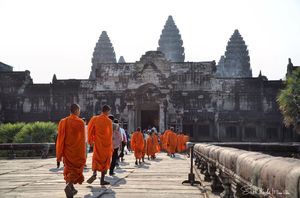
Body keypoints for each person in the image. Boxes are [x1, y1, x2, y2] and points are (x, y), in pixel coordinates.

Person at [56, 104, 86, 197]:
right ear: (77, 110)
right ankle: (69, 185)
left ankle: (71, 188)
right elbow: (82, 139)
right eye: (79, 110)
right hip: (77, 151)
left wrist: (59, 153)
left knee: (68, 169)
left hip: (67, 151)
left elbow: (60, 138)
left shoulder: (63, 121)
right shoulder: (80, 122)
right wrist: (83, 153)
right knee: (76, 170)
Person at [87, 105, 113, 185]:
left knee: (96, 158)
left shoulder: (95, 119)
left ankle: (94, 174)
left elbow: (89, 129)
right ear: (107, 111)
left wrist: (90, 140)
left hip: (98, 143)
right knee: (105, 161)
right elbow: (110, 134)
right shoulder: (109, 121)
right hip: (106, 145)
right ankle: (102, 180)